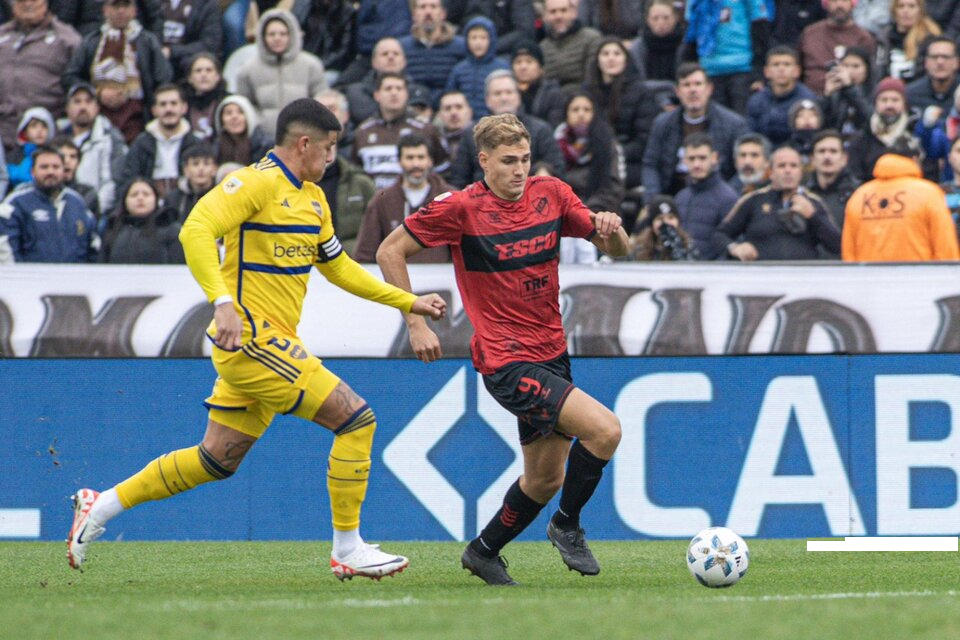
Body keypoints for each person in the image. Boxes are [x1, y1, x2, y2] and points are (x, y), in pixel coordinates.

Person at [65, 98, 448, 580]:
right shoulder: (253, 182)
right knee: (356, 419)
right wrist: (221, 301)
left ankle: (100, 505)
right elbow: (196, 230)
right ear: (304, 143)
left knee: (216, 459)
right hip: (251, 340)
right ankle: (347, 549)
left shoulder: (314, 200)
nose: (332, 160)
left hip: (274, 342)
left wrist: (406, 302)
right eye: (328, 149)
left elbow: (340, 269)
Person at [375, 113, 627, 586]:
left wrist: (613, 231)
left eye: (526, 159)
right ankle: (566, 525)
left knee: (545, 479)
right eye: (509, 161)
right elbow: (390, 250)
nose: (520, 170)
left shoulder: (551, 195)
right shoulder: (459, 207)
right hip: (505, 359)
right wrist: (413, 320)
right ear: (484, 161)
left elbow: (620, 251)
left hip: (552, 351)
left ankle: (483, 551)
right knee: (605, 431)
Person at [62, 0, 173, 144]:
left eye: (125, 6)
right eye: (115, 6)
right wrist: (97, 92)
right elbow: (69, 77)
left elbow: (164, 78)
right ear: (105, 10)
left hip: (138, 118)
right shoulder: (91, 42)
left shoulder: (147, 42)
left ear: (134, 10)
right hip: (98, 118)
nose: (121, 11)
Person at [712, 145, 841, 261]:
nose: (788, 171)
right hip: (761, 280)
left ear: (801, 172)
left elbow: (837, 245)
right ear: (771, 172)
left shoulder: (813, 202)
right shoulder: (753, 200)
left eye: (793, 166)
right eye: (781, 166)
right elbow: (719, 235)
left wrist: (813, 216)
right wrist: (735, 248)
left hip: (802, 280)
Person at [642, 63, 749, 200]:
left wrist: (726, 199)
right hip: (671, 197)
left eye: (698, 84)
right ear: (678, 91)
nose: (692, 90)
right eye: (686, 85)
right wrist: (653, 201)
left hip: (717, 199)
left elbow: (742, 169)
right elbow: (651, 164)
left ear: (709, 88)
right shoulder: (662, 123)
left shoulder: (734, 124)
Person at [843, 137, 959, 261]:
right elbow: (945, 249)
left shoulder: (860, 196)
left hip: (868, 279)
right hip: (919, 278)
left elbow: (848, 253)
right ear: (915, 159)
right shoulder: (929, 193)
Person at [448, 70, 565, 188]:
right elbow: (459, 179)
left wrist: (543, 169)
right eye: (497, 93)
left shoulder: (541, 129)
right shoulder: (472, 133)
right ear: (487, 100)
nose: (504, 98)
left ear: (518, 97)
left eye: (509, 92)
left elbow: (557, 168)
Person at [353, 133, 451, 263]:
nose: (416, 164)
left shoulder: (450, 198)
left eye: (421, 157)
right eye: (409, 158)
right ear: (399, 161)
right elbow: (365, 253)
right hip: (395, 281)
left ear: (430, 161)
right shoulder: (382, 200)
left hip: (442, 280)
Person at [0, 0, 80, 154]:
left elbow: (78, 83)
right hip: (3, 134)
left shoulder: (67, 38)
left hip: (47, 137)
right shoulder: (2, 35)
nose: (27, 4)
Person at [235, 8, 327, 140]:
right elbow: (244, 105)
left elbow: (322, 101)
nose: (277, 38)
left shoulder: (311, 65)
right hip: (264, 140)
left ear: (292, 35)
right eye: (271, 34)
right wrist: (259, 125)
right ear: (262, 36)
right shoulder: (247, 69)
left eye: (283, 34)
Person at [583, 36, 660, 191]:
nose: (611, 58)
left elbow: (644, 140)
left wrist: (614, 154)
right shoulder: (585, 92)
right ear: (597, 60)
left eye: (617, 54)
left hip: (629, 161)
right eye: (605, 54)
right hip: (592, 159)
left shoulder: (641, 93)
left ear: (626, 59)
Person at [0, 145, 98, 263]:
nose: (50, 172)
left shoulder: (77, 203)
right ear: (32, 171)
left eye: (55, 167)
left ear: (63, 170)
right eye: (44, 167)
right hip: (29, 279)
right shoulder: (16, 203)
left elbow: (92, 246)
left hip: (73, 279)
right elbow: (6, 249)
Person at [351, 71, 448, 190]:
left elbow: (443, 171)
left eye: (399, 88)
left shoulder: (426, 129)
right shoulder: (363, 132)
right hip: (375, 203)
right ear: (377, 95)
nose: (394, 93)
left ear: (406, 94)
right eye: (388, 88)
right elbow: (356, 175)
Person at [683, 0, 771, 114]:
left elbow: (760, 32)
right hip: (709, 70)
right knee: (715, 120)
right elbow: (690, 36)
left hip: (742, 68)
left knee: (741, 119)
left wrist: (758, 73)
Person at [116, 83, 203, 199]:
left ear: (184, 108)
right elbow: (128, 179)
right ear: (154, 110)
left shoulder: (196, 143)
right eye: (163, 104)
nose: (168, 109)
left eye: (173, 103)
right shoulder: (141, 143)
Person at [59, 82, 127, 213]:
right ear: (67, 108)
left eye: (88, 101)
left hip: (96, 212)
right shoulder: (57, 138)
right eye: (77, 102)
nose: (83, 107)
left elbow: (112, 183)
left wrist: (91, 212)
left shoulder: (110, 138)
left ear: (97, 108)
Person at [673, 132, 739, 259]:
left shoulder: (728, 198)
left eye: (702, 158)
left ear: (714, 158)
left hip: (712, 274)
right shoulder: (681, 197)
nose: (697, 164)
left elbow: (730, 243)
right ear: (684, 160)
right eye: (692, 158)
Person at [797, 0, 876, 95]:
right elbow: (798, 69)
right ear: (826, 4)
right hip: (810, 99)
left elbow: (870, 79)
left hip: (849, 100)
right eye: (834, 1)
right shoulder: (809, 34)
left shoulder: (863, 38)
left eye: (844, 1)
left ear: (852, 4)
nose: (839, 5)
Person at [98, 177, 184, 263]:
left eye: (146, 194)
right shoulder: (113, 228)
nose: (140, 198)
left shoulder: (171, 229)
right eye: (134, 195)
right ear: (125, 201)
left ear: (156, 199)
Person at [399, 0, 467, 107]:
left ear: (443, 13)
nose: (428, 12)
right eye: (422, 7)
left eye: (433, 6)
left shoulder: (461, 46)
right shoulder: (401, 48)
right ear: (414, 15)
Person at [847, 76, 915, 181]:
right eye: (884, 100)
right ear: (876, 104)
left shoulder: (914, 133)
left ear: (904, 104)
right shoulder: (862, 139)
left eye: (895, 100)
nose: (889, 105)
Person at [747, 46, 818, 145]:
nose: (781, 69)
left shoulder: (808, 99)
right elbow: (751, 135)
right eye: (776, 65)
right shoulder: (756, 100)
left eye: (787, 64)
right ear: (766, 72)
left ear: (797, 71)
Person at [445, 16, 510, 119]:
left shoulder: (502, 67)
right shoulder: (459, 69)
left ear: (492, 40)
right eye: (474, 38)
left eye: (483, 38)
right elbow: (450, 95)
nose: (478, 43)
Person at [804, 129, 860, 234]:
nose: (827, 157)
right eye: (821, 151)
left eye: (833, 151)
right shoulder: (803, 195)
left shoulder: (858, 194)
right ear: (812, 159)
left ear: (844, 159)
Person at [540, 0, 602, 93]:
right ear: (545, 16)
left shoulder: (591, 39)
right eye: (553, 12)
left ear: (574, 13)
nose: (558, 16)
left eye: (563, 10)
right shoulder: (542, 47)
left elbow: (592, 80)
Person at [875, 0, 940, 82]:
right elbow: (879, 69)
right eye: (901, 6)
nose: (906, 11)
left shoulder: (929, 39)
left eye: (911, 6)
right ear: (894, 11)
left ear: (920, 10)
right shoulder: (884, 38)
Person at [157, 0, 222, 78]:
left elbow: (209, 44)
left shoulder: (207, 4)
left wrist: (172, 51)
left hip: (187, 57)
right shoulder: (153, 3)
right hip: (158, 54)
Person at [821, 46, 874, 138]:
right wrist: (827, 96)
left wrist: (850, 88)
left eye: (856, 66)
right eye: (845, 66)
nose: (849, 71)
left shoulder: (875, 91)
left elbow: (871, 119)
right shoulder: (836, 93)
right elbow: (823, 124)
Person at [511, 40, 565, 128]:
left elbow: (554, 126)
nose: (523, 67)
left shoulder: (553, 93)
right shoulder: (506, 92)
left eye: (529, 61)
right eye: (518, 62)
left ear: (540, 67)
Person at [628, 195, 697, 261]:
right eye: (660, 218)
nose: (666, 223)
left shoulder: (687, 246)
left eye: (671, 217)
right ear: (652, 223)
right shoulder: (639, 249)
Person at [628, 0, 683, 82]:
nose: (660, 22)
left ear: (675, 18)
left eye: (666, 18)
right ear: (647, 20)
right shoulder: (638, 47)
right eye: (655, 18)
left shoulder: (686, 45)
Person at [212, 94, 273, 167]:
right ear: (221, 120)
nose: (234, 117)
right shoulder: (215, 148)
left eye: (240, 112)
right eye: (228, 113)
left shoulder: (265, 146)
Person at [904, 36, 959, 116]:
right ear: (926, 62)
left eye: (945, 57)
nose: (940, 62)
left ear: (956, 62)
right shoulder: (910, 94)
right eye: (934, 57)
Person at [182, 52, 229, 143]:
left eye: (209, 70)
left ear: (218, 76)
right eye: (198, 71)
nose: (203, 75)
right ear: (190, 78)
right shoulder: (181, 102)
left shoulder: (228, 101)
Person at [164, 143, 216, 222]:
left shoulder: (223, 195)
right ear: (186, 170)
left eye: (206, 164)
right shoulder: (173, 199)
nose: (201, 169)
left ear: (214, 169)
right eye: (195, 164)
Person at [53, 136, 101, 223]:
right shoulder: (39, 193)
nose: (67, 161)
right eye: (62, 156)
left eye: (73, 156)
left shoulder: (87, 193)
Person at [7, 107, 55, 189]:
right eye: (34, 126)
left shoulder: (54, 154)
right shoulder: (15, 155)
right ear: (25, 132)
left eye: (44, 126)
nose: (39, 130)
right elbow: (14, 175)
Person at [435, 90, 474, 179]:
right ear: (439, 115)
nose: (453, 113)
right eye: (447, 108)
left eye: (459, 107)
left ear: (470, 112)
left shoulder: (481, 139)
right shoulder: (434, 140)